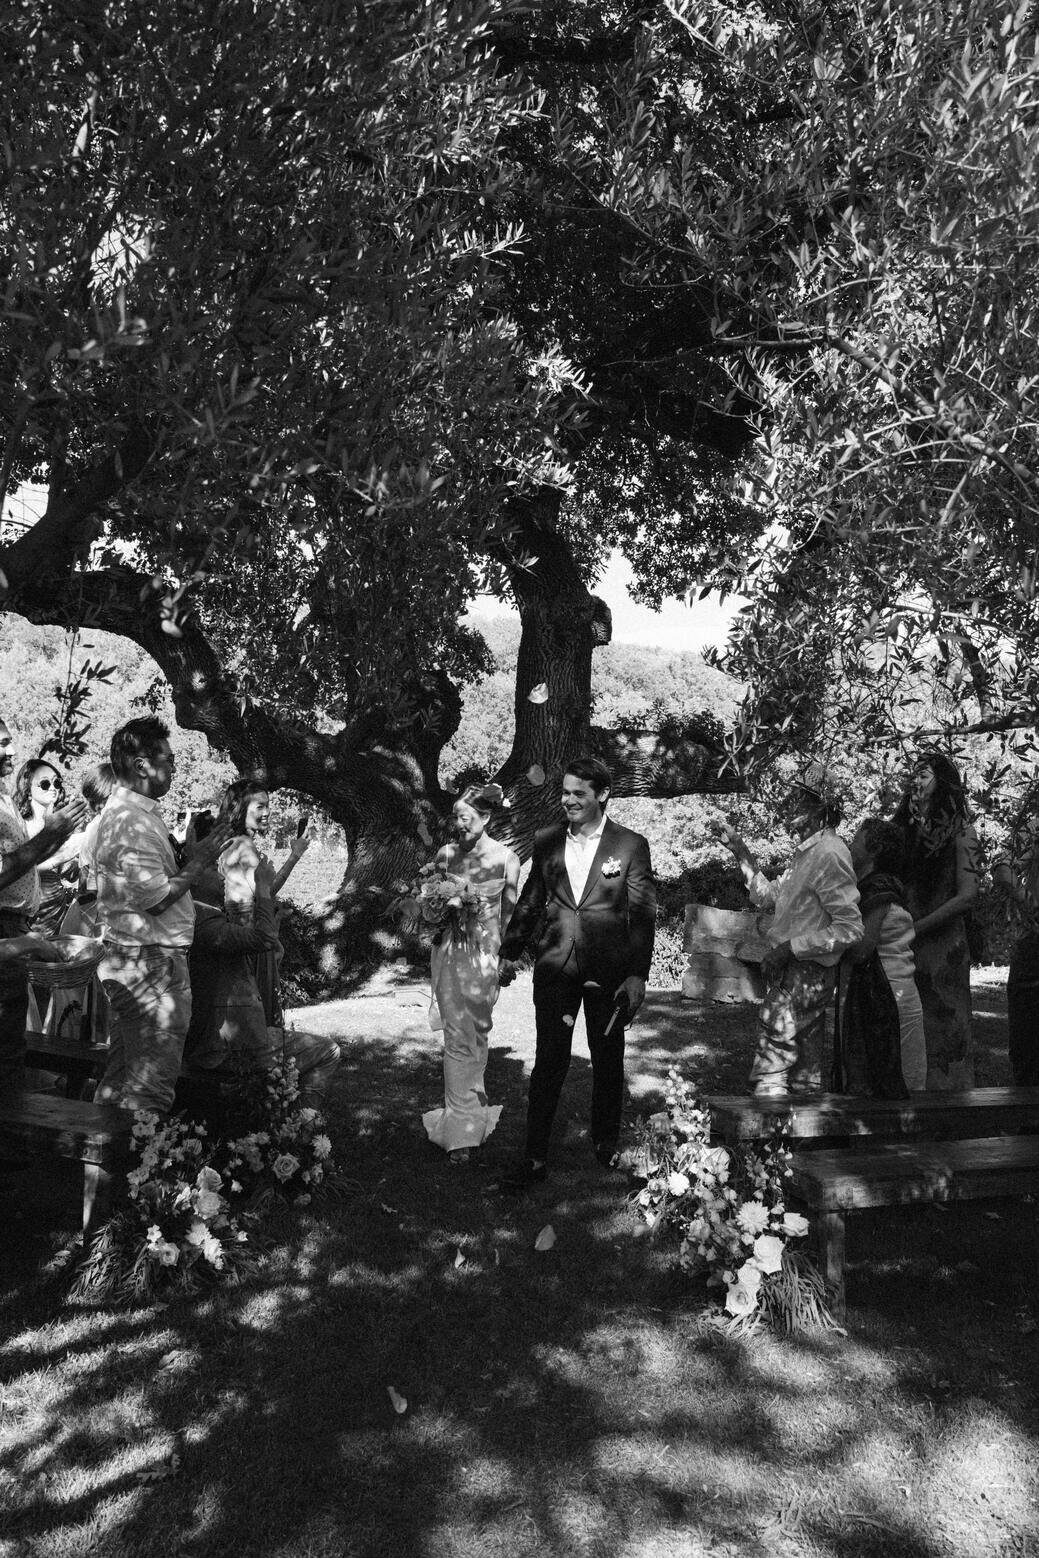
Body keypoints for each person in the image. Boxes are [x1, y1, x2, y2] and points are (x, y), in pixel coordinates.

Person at [497, 756, 656, 1189]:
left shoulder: (629, 845)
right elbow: (531, 899)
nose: (567, 800)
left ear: (602, 795)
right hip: (555, 966)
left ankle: (606, 1146)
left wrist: (637, 974)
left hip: (610, 970)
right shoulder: (547, 840)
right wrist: (509, 951)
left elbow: (642, 914)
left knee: (608, 1059)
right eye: (565, 792)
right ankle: (533, 1157)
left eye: (578, 794)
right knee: (549, 1060)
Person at [94, 717, 229, 1114]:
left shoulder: (128, 815)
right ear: (141, 766)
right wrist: (201, 859)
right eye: (168, 760)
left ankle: (100, 1167)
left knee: (119, 1078)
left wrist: (190, 856)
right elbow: (155, 899)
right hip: (152, 965)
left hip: (133, 957)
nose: (174, 768)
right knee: (150, 1091)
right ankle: (134, 1171)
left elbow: (147, 890)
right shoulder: (133, 823)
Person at [719, 765, 863, 1096]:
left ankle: (768, 1144)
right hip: (799, 976)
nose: (790, 804)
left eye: (799, 797)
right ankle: (800, 1148)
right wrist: (741, 853)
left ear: (819, 807)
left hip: (804, 976)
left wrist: (789, 949)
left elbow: (851, 928)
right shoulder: (807, 854)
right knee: (804, 1076)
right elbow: (770, 897)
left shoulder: (829, 853)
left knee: (772, 1068)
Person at [183, 857, 340, 1111]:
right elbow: (263, 938)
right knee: (328, 1051)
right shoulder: (204, 923)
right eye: (214, 869)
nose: (223, 877)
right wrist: (263, 887)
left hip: (218, 1040)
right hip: (224, 1047)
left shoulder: (199, 919)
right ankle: (301, 1128)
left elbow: (241, 966)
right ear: (195, 877)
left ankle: (282, 1124)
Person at [422, 782, 519, 1163]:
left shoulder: (507, 859)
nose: (458, 825)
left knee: (478, 1034)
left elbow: (509, 914)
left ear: (486, 818)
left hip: (485, 957)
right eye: (456, 818)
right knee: (457, 1036)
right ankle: (460, 1132)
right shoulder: (445, 855)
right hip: (449, 954)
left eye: (466, 818)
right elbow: (431, 908)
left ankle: (474, 1110)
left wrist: (508, 957)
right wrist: (435, 909)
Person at [0, 717, 88, 1089]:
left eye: (10, 741)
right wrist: (49, 836)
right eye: (2, 743)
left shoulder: (3, 798)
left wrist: (59, 834)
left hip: (17, 924)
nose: (13, 750)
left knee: (11, 1042)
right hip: (5, 927)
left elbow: (22, 860)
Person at [891, 751, 980, 1089]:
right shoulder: (900, 831)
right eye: (913, 774)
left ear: (943, 783)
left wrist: (918, 928)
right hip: (899, 946)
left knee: (945, 1034)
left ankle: (950, 1123)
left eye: (924, 774)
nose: (916, 780)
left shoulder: (964, 832)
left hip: (943, 954)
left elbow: (967, 896)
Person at [840, 818, 925, 1095]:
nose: (850, 846)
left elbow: (863, 948)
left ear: (873, 850)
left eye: (856, 840)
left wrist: (825, 941)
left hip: (887, 996)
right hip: (887, 990)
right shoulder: (874, 887)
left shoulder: (878, 889)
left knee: (893, 1085)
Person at [215, 778, 311, 1023]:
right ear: (239, 808)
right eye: (259, 806)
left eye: (268, 805)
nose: (267, 812)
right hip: (251, 930)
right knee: (261, 1007)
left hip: (239, 928)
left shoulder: (231, 842)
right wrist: (295, 856)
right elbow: (265, 891)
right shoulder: (244, 845)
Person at [992, 795, 1039, 1085]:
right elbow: (1002, 868)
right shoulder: (1034, 829)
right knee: (1027, 1051)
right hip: (1034, 949)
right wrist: (1027, 901)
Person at [14, 757, 83, 937]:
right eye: (45, 784)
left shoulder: (60, 823)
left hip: (57, 907)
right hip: (32, 911)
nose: (53, 788)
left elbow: (66, 873)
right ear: (28, 789)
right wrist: (60, 857)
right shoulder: (21, 825)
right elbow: (16, 870)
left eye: (57, 782)